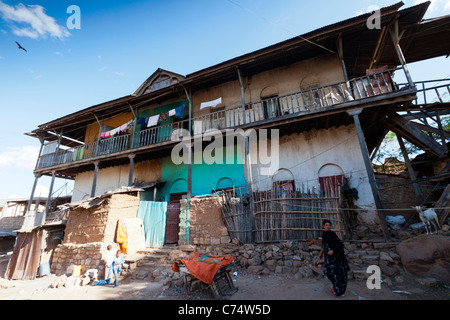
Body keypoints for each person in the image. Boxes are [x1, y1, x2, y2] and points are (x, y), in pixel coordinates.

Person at [319, 219, 350, 297]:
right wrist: (320, 255)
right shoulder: (324, 234)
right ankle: (335, 287)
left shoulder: (332, 234)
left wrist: (333, 250)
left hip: (335, 258)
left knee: (338, 274)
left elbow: (339, 244)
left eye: (329, 225)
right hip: (328, 259)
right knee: (329, 272)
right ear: (323, 226)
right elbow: (323, 246)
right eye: (326, 225)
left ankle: (338, 291)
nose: (328, 227)